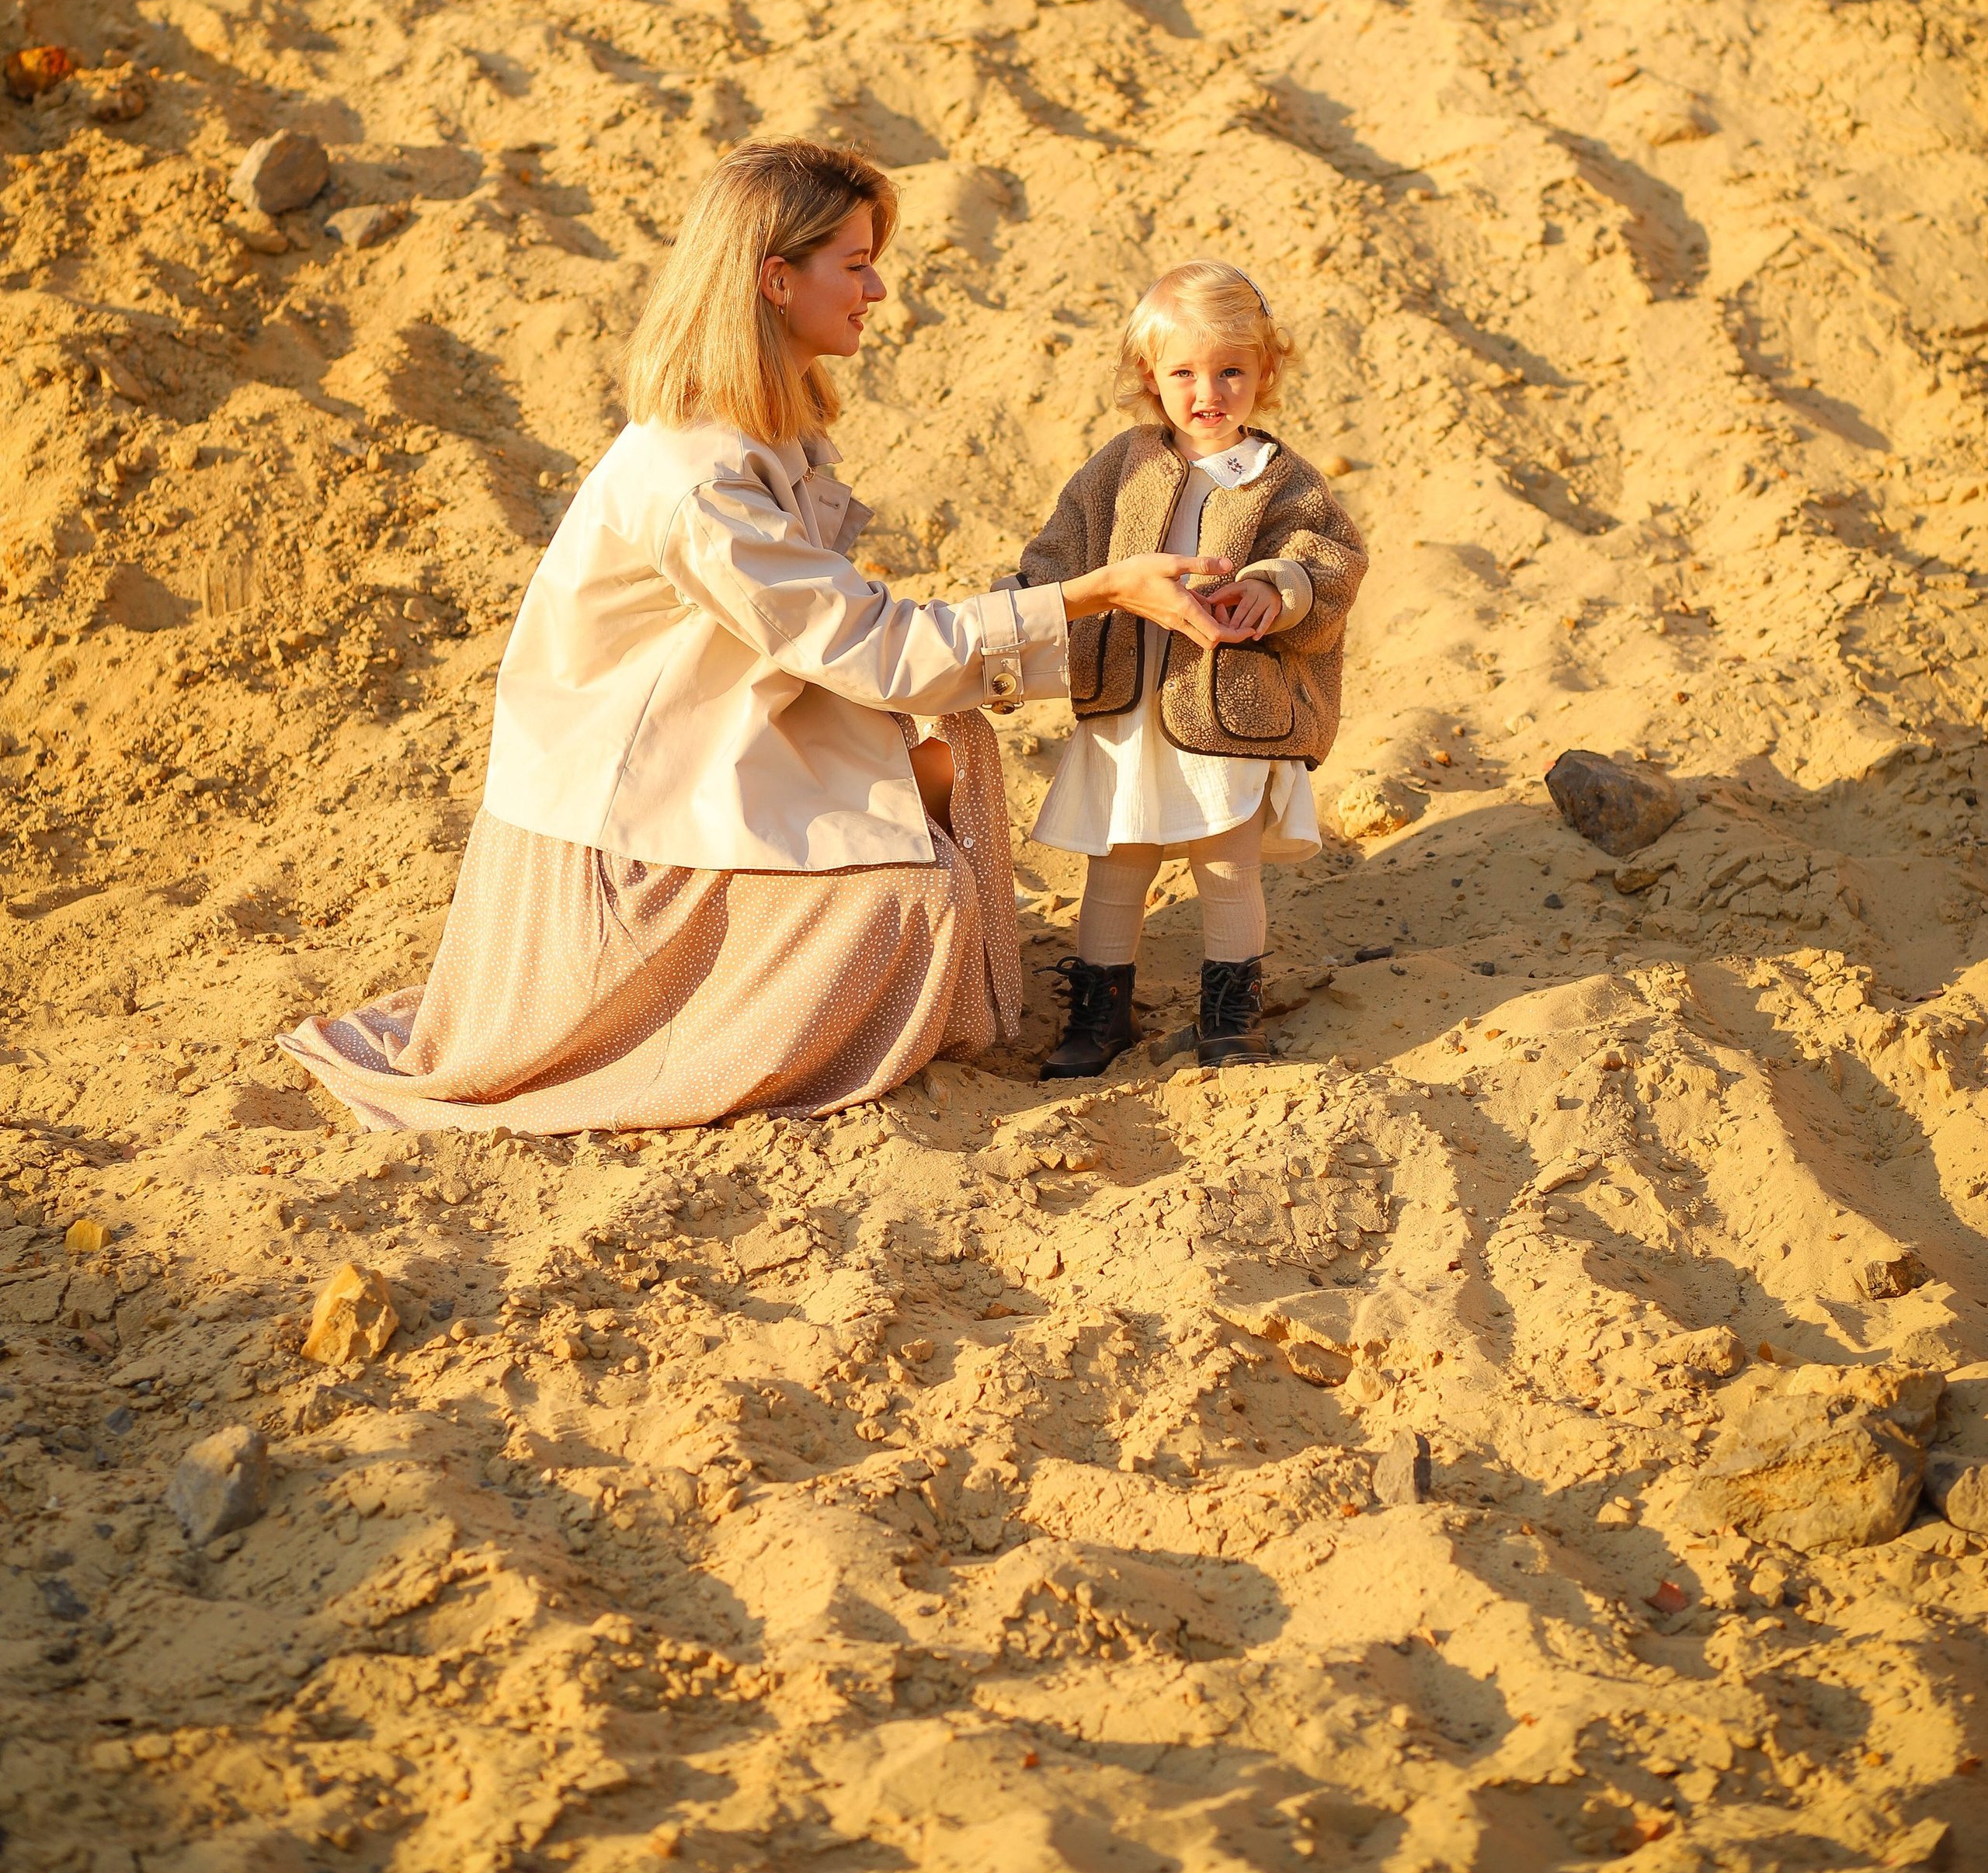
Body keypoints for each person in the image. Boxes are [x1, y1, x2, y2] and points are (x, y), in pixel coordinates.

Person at [281, 141, 1251, 1131]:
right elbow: (871, 648)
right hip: (614, 840)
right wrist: (1094, 599)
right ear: (775, 280)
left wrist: (1102, 613)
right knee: (911, 906)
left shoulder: (755, 432)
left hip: (704, 759)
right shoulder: (700, 478)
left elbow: (844, 643)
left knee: (947, 764)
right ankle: (645, 1022)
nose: (877, 287)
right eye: (855, 263)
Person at [1014, 262, 1368, 1078]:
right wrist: (1024, 604)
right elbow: (1060, 549)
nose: (1208, 391)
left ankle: (1229, 1016)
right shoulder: (1119, 467)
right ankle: (1099, 1017)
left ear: (1265, 372)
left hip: (1223, 709)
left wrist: (1278, 591)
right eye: (1184, 373)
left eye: (1231, 370)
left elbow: (1328, 556)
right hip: (1126, 708)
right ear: (1150, 377)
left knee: (1224, 862)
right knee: (1117, 860)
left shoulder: (1279, 476)